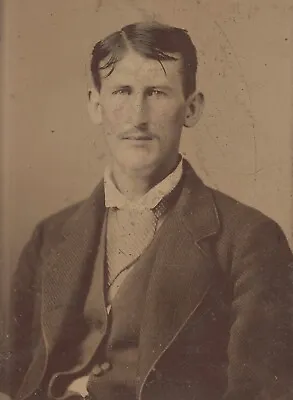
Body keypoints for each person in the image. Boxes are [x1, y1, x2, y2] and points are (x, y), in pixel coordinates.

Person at [1, 21, 293, 400]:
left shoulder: (250, 240)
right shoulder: (51, 236)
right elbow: (10, 373)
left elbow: (259, 392)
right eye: (122, 91)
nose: (137, 116)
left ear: (191, 108)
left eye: (157, 92)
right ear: (95, 104)